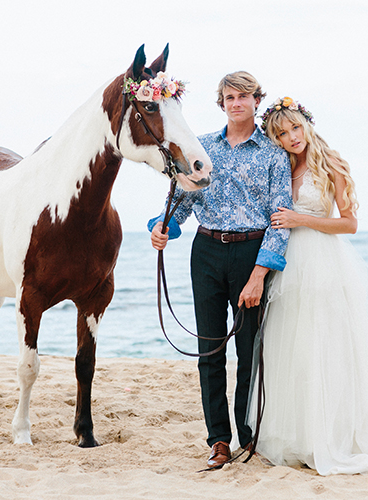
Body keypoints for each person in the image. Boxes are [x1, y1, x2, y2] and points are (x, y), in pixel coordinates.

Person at [246, 97, 368, 475]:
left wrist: (301, 219)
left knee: (324, 343)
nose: (292, 137)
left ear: (307, 125)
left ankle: (332, 434)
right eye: (281, 133)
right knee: (289, 344)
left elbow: (349, 223)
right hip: (287, 262)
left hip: (321, 262)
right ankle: (294, 433)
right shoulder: (281, 167)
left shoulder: (330, 164)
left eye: (295, 128)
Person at [148, 72, 292, 469]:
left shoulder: (273, 155)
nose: (235, 103)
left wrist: (259, 275)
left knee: (249, 352)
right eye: (229, 97)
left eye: (243, 97)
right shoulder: (203, 148)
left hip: (252, 254)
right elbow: (183, 203)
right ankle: (219, 440)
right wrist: (163, 227)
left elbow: (280, 221)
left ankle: (248, 436)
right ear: (221, 103)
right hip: (207, 252)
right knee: (209, 350)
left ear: (256, 101)